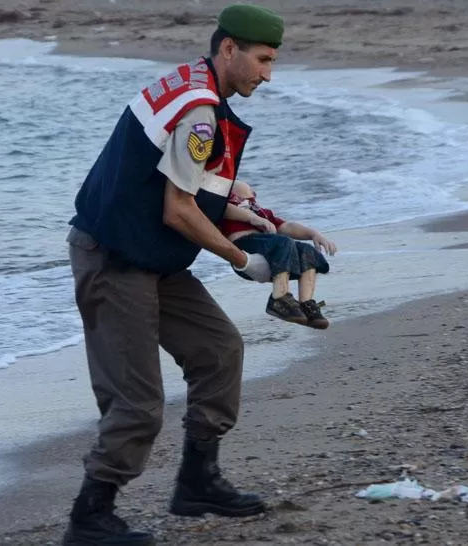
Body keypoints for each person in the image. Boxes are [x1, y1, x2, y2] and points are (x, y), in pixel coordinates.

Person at [61, 4, 285, 545]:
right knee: (136, 402)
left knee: (219, 350)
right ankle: (90, 517)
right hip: (114, 260)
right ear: (228, 48)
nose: (268, 74)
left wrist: (256, 219)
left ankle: (196, 481)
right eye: (261, 59)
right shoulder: (201, 112)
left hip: (153, 259)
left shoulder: (192, 84)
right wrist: (242, 261)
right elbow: (178, 209)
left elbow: (192, 184)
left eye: (273, 61)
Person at [219, 180, 337, 329]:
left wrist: (313, 234)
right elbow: (223, 208)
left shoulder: (262, 213)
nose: (251, 194)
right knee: (284, 242)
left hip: (272, 252)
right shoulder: (227, 208)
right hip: (244, 247)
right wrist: (251, 217)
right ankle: (279, 297)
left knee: (307, 251)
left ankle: (306, 304)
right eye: (248, 190)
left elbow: (287, 226)